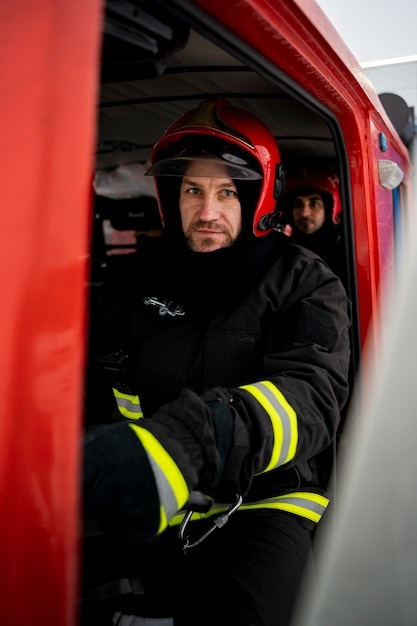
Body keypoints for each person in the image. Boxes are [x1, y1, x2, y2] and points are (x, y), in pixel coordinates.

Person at [82, 97, 351, 626]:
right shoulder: (129, 289)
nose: (208, 212)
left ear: (258, 198)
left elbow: (311, 396)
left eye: (228, 192)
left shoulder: (306, 282)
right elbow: (80, 390)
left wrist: (187, 444)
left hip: (263, 503)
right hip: (150, 496)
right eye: (193, 191)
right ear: (169, 197)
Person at [279, 165, 343, 275]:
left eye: (314, 204)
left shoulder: (343, 252)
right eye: (298, 204)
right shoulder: (281, 251)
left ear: (329, 209)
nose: (304, 213)